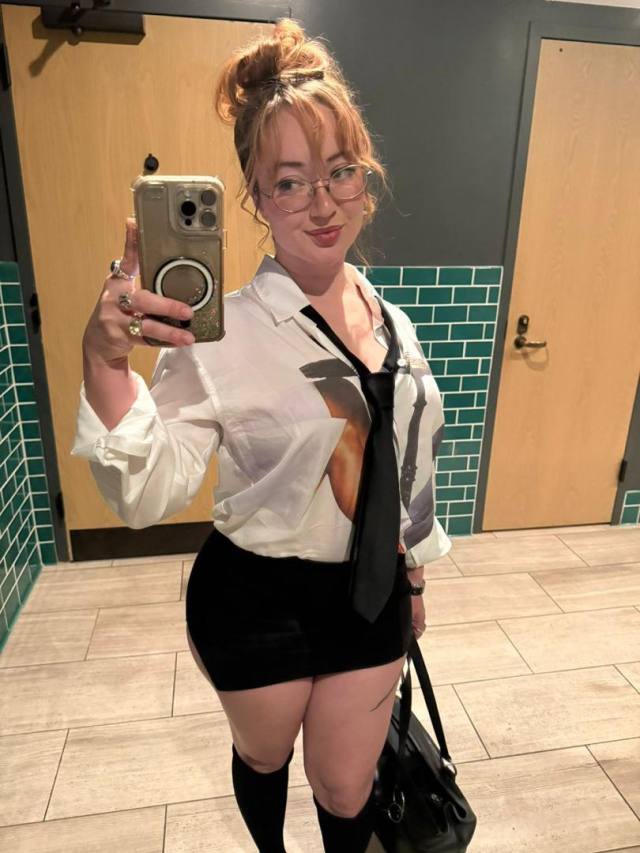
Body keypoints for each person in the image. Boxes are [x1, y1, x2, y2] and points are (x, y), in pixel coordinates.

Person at [72, 17, 452, 853]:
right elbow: (146, 490)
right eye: (289, 182)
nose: (322, 202)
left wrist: (414, 576)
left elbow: (407, 466)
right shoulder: (223, 334)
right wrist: (105, 358)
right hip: (257, 600)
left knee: (347, 784)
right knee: (264, 754)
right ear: (253, 195)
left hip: (372, 594)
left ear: (365, 177)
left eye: (340, 172)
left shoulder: (394, 322)